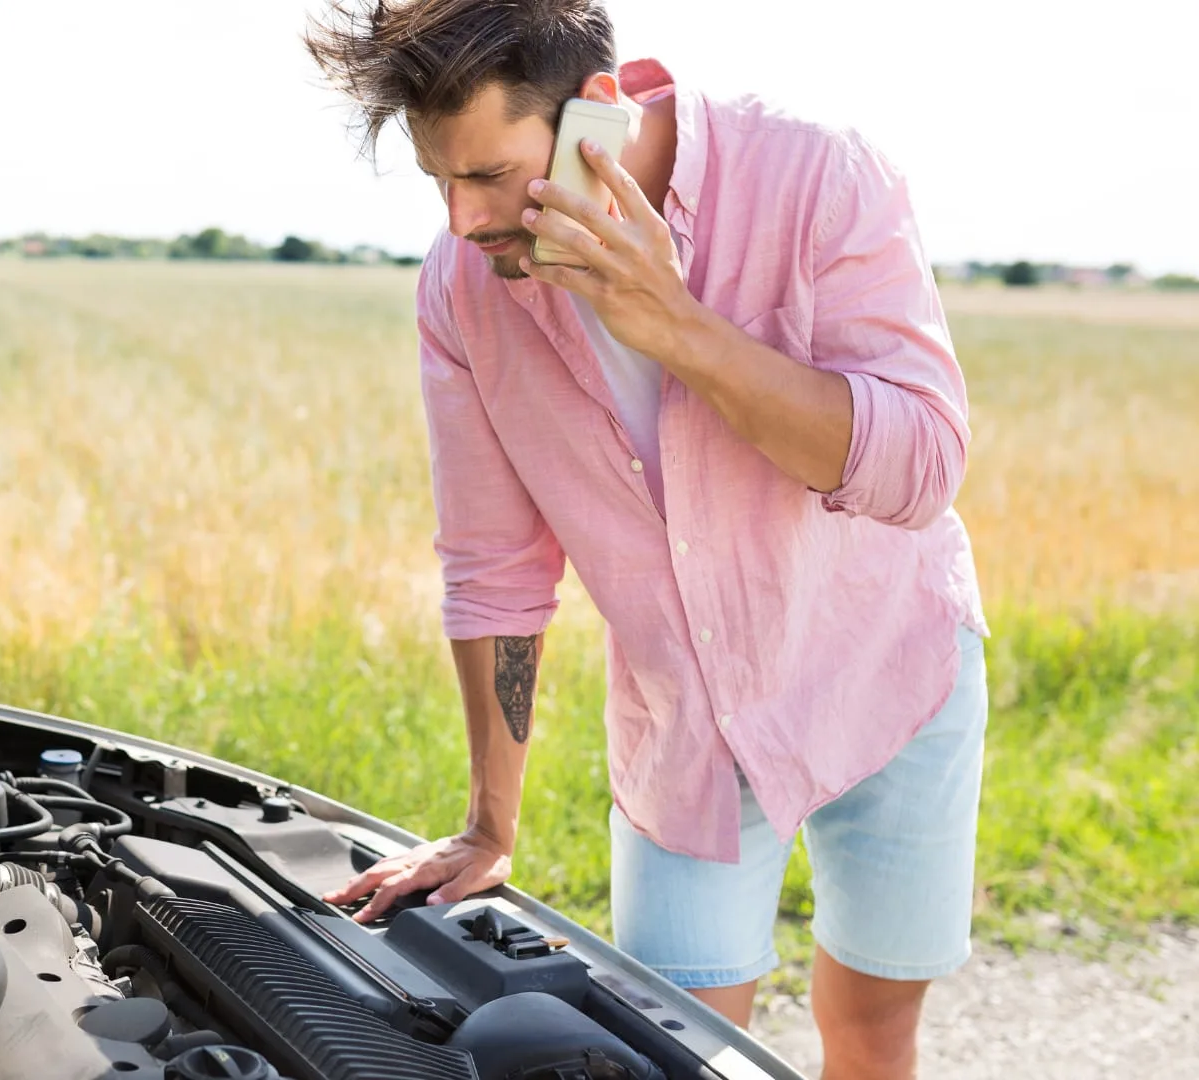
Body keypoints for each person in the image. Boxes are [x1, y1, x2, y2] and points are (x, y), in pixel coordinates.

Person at [306, 3, 989, 1078]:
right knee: (676, 1057)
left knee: (869, 1032)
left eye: (488, 176)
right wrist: (489, 828)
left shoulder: (819, 174)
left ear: (601, 118)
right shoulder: (463, 291)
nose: (460, 221)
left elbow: (919, 470)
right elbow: (495, 569)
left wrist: (671, 323)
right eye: (441, 180)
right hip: (687, 731)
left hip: (890, 679)